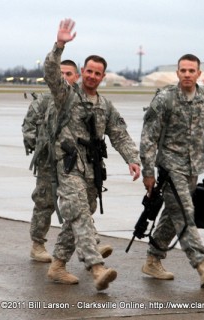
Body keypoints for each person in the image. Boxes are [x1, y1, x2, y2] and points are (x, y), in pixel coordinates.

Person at [43, 19, 141, 291]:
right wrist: (60, 44)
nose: (93, 76)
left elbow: (120, 134)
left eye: (98, 73)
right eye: (89, 71)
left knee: (78, 215)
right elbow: (51, 72)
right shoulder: (66, 95)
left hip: (92, 169)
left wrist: (133, 159)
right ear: (82, 71)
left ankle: (58, 266)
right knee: (81, 216)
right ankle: (96, 268)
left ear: (103, 76)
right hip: (68, 165)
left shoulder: (106, 106)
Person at [140, 53, 204, 287]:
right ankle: (202, 264)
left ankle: (153, 260)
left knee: (171, 215)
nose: (187, 74)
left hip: (193, 168)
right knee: (185, 213)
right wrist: (148, 172)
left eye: (191, 70)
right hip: (170, 167)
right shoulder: (165, 99)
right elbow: (148, 138)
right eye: (183, 70)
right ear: (177, 73)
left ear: (199, 74)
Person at [22, 60, 113, 263]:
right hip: (49, 161)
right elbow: (28, 130)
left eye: (69, 74)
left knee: (81, 202)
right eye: (61, 73)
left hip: (72, 162)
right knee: (45, 202)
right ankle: (38, 244)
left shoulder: (79, 101)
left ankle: (91, 242)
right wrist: (43, 145)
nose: (64, 77)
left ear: (76, 76)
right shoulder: (43, 101)